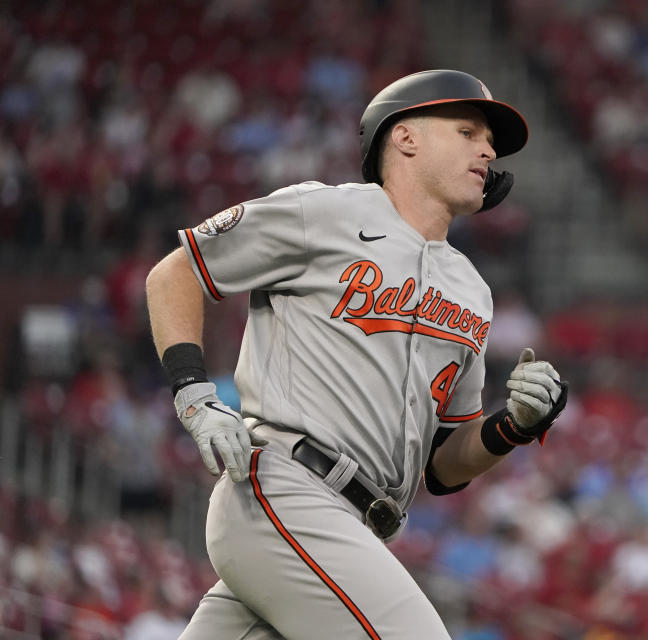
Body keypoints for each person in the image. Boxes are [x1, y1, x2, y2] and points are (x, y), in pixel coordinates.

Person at [144, 69, 568, 639]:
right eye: (468, 131)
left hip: (354, 526)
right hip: (286, 491)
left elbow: (442, 465)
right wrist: (195, 394)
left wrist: (514, 427)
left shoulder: (472, 289)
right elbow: (176, 273)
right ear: (405, 137)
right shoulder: (324, 213)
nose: (489, 149)